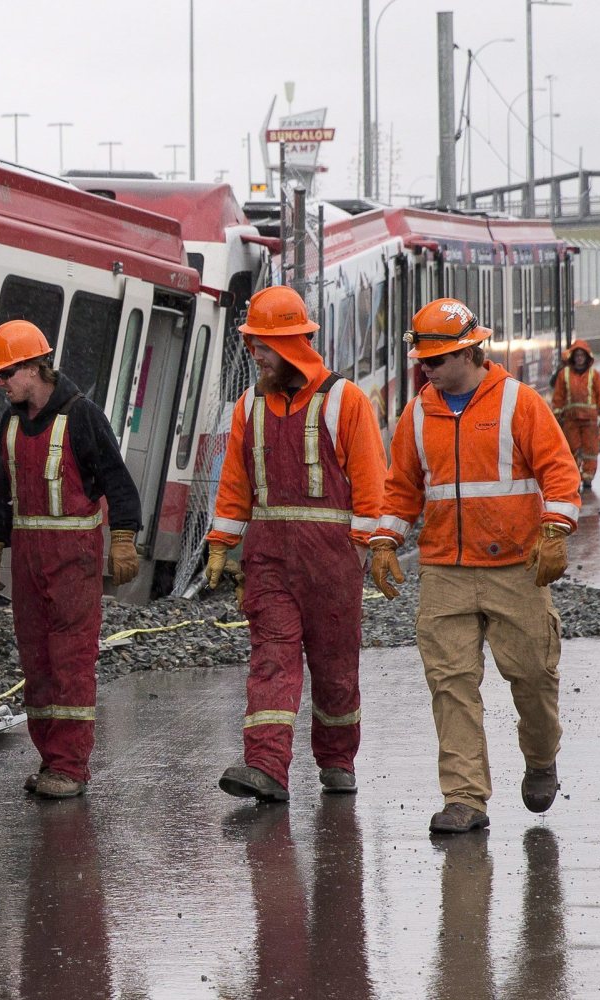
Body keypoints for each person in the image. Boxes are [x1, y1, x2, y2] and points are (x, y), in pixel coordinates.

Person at [369, 297, 582, 836]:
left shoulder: (519, 404)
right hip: (445, 572)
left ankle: (540, 759)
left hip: (516, 569)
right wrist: (385, 541)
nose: (427, 370)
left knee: (533, 676)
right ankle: (464, 798)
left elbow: (560, 473)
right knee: (451, 683)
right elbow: (401, 489)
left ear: (470, 351)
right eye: (422, 361)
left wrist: (555, 532)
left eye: (436, 361)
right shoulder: (418, 413)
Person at [205, 286, 387, 804]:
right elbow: (236, 484)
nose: (254, 355)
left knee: (335, 666)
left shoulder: (344, 401)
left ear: (290, 346)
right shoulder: (250, 407)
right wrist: (222, 542)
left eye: (262, 346)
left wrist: (366, 546)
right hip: (268, 559)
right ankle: (265, 766)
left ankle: (336, 758)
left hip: (332, 559)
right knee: (271, 658)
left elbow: (371, 479)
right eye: (254, 345)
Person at [0, 319, 142, 799]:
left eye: (6, 374)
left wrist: (125, 539)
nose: (0, 383)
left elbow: (118, 482)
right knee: (37, 664)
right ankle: (52, 761)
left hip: (74, 563)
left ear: (33, 368)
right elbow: (2, 488)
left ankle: (70, 767)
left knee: (70, 662)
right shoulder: (11, 422)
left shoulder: (83, 417)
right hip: (29, 562)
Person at [548, 339, 600, 491]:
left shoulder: (594, 375)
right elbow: (558, 397)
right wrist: (557, 417)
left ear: (587, 357)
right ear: (573, 357)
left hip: (589, 420)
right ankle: (574, 478)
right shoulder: (565, 375)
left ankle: (588, 477)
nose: (579, 358)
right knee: (571, 450)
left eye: (582, 355)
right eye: (577, 355)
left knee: (590, 450)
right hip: (571, 420)